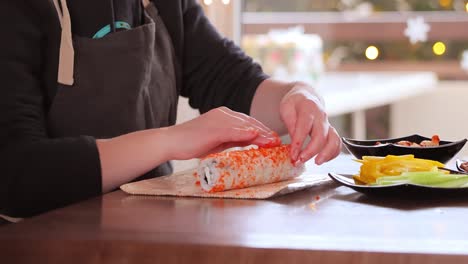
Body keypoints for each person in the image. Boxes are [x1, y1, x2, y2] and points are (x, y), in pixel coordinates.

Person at [0, 0, 341, 218]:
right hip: (44, 243)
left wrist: (298, 97)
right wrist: (169, 141)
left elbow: (232, 81)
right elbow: (16, 175)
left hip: (149, 235)